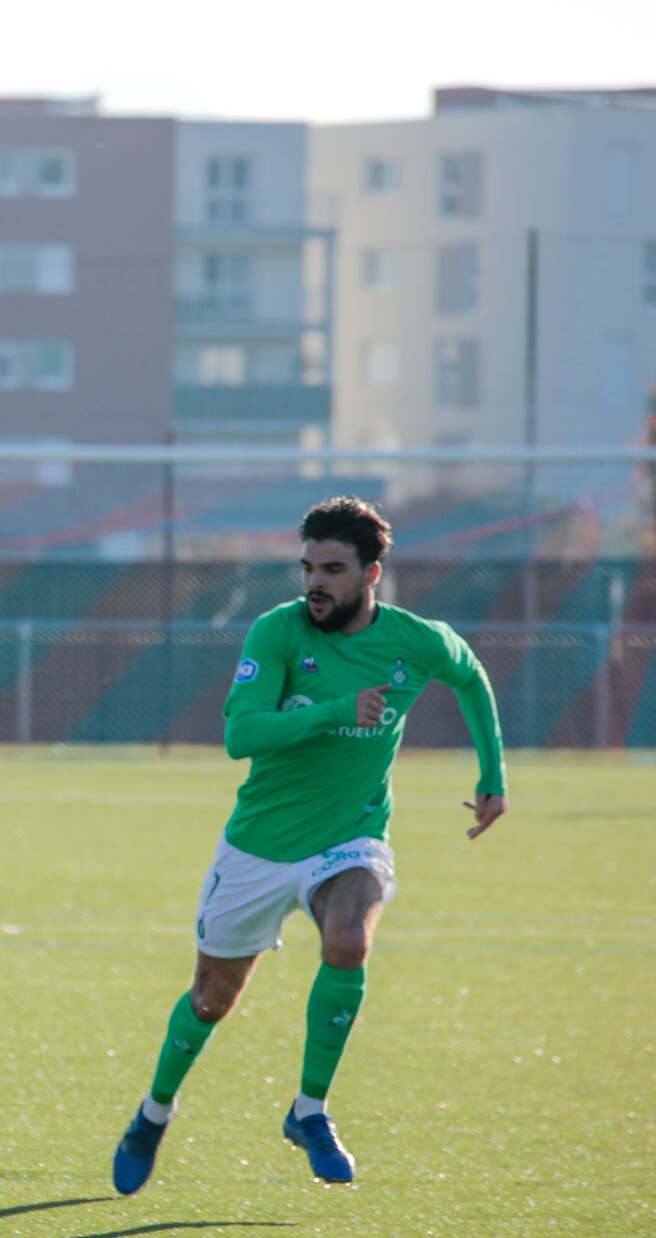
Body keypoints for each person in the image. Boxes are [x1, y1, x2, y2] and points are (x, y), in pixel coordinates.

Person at [111, 497, 507, 1193]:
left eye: (332, 569)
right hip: (259, 847)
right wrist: (334, 711)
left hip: (350, 837)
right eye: (308, 568)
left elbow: (470, 675)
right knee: (209, 1000)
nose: (315, 583)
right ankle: (153, 1113)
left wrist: (492, 777)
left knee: (349, 939)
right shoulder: (278, 632)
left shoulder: (416, 640)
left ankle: (309, 1110)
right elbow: (241, 735)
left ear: (372, 573)